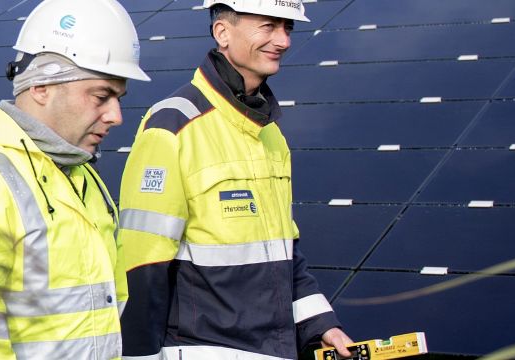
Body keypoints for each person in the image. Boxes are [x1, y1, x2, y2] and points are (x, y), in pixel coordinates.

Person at [0, 0, 150, 358]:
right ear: (41, 87)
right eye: (102, 96)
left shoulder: (82, 177)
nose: (116, 115)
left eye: (118, 98)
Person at [115, 0, 353, 359]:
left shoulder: (269, 133)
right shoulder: (172, 126)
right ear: (222, 32)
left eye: (288, 28)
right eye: (269, 26)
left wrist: (322, 326)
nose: (284, 41)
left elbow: (284, 252)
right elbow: (142, 266)